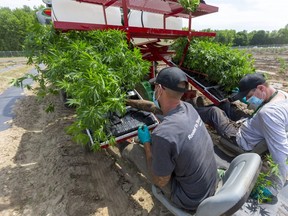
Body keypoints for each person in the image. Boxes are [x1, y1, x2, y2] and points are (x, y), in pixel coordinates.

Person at [132, 67, 218, 211]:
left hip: (192, 200)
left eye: (155, 87)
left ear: (159, 89)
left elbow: (161, 180)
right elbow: (155, 108)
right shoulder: (188, 108)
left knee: (133, 151)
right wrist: (130, 102)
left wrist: (146, 142)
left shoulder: (163, 134)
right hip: (209, 185)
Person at [196, 73, 288, 198]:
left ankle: (188, 110)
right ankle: (202, 110)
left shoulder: (269, 114)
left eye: (249, 96)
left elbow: (280, 150)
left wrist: (275, 186)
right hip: (250, 125)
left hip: (239, 138)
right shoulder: (282, 95)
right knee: (227, 106)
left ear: (261, 88)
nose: (248, 100)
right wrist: (241, 98)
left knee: (214, 112)